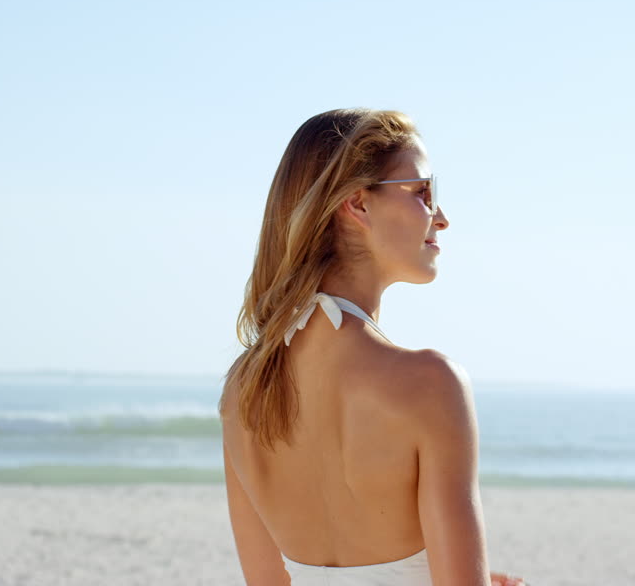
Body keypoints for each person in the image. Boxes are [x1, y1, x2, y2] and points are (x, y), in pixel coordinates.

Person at [219, 109, 527, 586]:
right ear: (358, 205)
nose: (441, 218)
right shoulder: (431, 384)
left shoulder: (245, 388)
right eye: (424, 192)